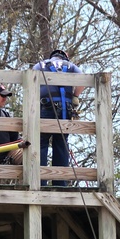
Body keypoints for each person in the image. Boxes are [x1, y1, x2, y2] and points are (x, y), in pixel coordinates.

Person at [32, 48, 84, 183]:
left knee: (41, 143)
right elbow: (82, 80)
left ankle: (40, 182)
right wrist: (75, 96)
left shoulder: (41, 65)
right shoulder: (70, 66)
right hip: (64, 110)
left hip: (46, 107)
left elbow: (30, 80)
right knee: (61, 143)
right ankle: (60, 182)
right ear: (65, 57)